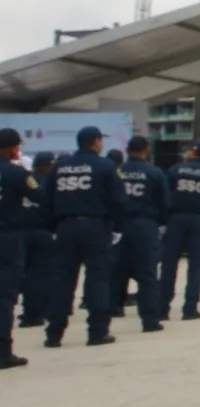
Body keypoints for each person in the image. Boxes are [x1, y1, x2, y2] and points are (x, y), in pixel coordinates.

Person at [44, 125, 125, 347]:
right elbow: (118, 200)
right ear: (96, 142)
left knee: (62, 281)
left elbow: (47, 200)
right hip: (95, 226)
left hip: (65, 227)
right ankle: (97, 332)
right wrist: (117, 228)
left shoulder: (59, 167)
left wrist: (53, 228)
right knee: (98, 279)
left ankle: (54, 333)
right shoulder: (106, 166)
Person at [161, 140, 200, 320]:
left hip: (176, 220)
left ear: (192, 152)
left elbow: (165, 197)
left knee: (169, 265)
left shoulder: (175, 170)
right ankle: (190, 308)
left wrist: (163, 220)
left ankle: (162, 307)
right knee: (196, 266)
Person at [111, 134, 168, 332]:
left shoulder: (116, 172)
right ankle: (150, 319)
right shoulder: (154, 173)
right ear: (146, 151)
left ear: (127, 150)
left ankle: (113, 309)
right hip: (145, 225)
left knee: (117, 270)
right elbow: (165, 204)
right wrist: (161, 224)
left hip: (119, 225)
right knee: (147, 274)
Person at [0, 129, 42, 368]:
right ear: (12, 148)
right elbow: (39, 196)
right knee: (5, 295)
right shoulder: (16, 173)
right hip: (7, 239)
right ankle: (3, 350)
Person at [16, 151, 58, 332]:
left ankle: (30, 311)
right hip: (42, 233)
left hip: (20, 233)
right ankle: (38, 312)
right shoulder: (49, 183)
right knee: (41, 275)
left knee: (24, 275)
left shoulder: (24, 181)